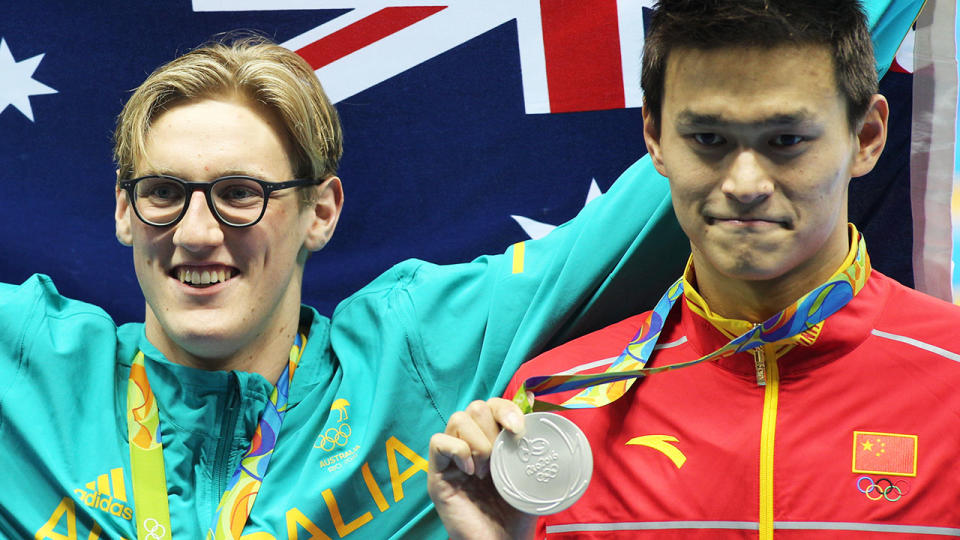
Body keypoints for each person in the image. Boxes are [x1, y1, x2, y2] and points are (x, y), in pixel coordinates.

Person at [0, 34, 689, 539]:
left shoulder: (416, 357)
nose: (197, 232)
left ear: (320, 212)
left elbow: (693, 181)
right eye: (164, 193)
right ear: (124, 210)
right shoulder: (31, 368)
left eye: (240, 194)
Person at [428, 1, 960, 538]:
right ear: (655, 139)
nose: (745, 184)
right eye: (708, 139)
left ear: (866, 137)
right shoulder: (553, 412)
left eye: (786, 140)